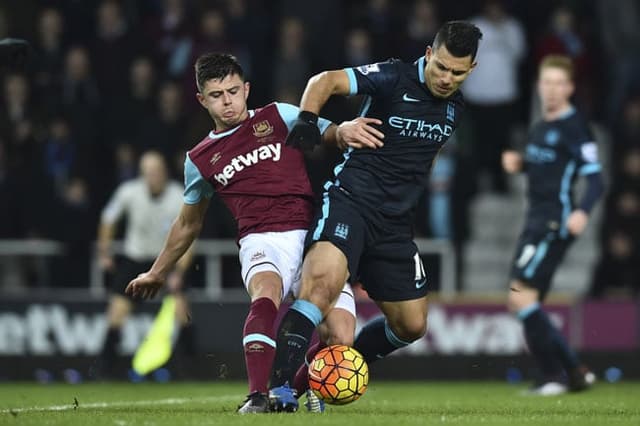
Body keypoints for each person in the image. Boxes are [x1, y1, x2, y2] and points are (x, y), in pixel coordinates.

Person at [125, 53, 383, 413]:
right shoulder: (200, 158)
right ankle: (258, 396)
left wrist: (343, 131)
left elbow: (325, 131)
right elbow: (188, 223)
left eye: (233, 91)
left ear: (247, 89)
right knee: (267, 292)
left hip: (314, 237)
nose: (227, 101)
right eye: (217, 95)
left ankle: (290, 391)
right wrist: (156, 271)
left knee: (341, 339)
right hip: (262, 240)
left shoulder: (278, 115)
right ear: (202, 100)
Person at [266, 20, 483, 412]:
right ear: (430, 54)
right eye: (442, 68)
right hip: (351, 200)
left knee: (412, 326)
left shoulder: (455, 106)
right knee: (319, 289)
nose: (447, 79)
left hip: (394, 224)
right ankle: (279, 391)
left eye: (458, 72)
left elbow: (425, 157)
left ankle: (326, 372)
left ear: (472, 69)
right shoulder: (392, 77)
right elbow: (324, 81)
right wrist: (308, 121)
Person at [501, 55, 604, 395]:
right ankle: (566, 373)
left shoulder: (576, 127)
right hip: (535, 220)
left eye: (560, 83)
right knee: (525, 300)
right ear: (539, 87)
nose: (553, 89)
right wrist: (522, 165)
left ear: (571, 88)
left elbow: (596, 180)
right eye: (548, 82)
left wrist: (582, 212)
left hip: (553, 220)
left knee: (521, 297)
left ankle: (562, 374)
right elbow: (547, 168)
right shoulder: (541, 126)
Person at [95, 150, 194, 379]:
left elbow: (190, 237)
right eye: (148, 172)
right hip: (135, 258)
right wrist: (104, 252)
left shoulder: (178, 195)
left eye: (157, 171)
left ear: (165, 172)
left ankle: (190, 367)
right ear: (142, 174)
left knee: (181, 310)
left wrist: (179, 271)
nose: (153, 176)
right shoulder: (128, 192)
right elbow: (108, 219)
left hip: (166, 259)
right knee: (117, 312)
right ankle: (104, 368)